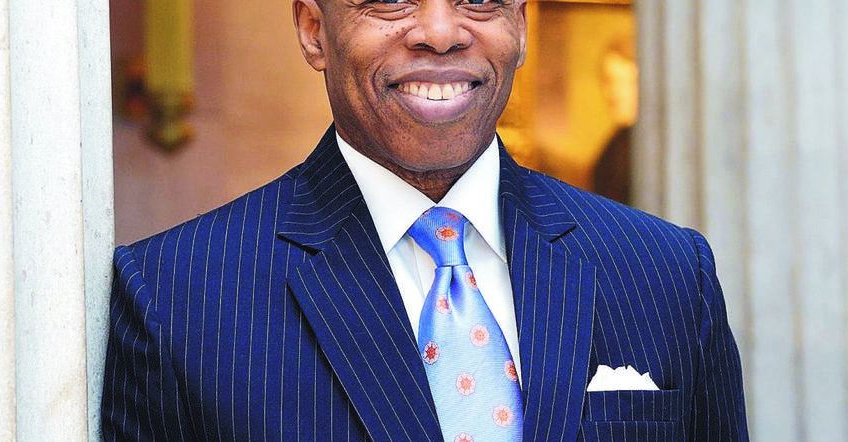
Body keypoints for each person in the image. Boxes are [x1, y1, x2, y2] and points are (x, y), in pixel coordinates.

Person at [101, 0, 749, 440]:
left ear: (521, 26)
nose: (440, 31)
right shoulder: (175, 299)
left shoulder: (666, 274)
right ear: (312, 28)